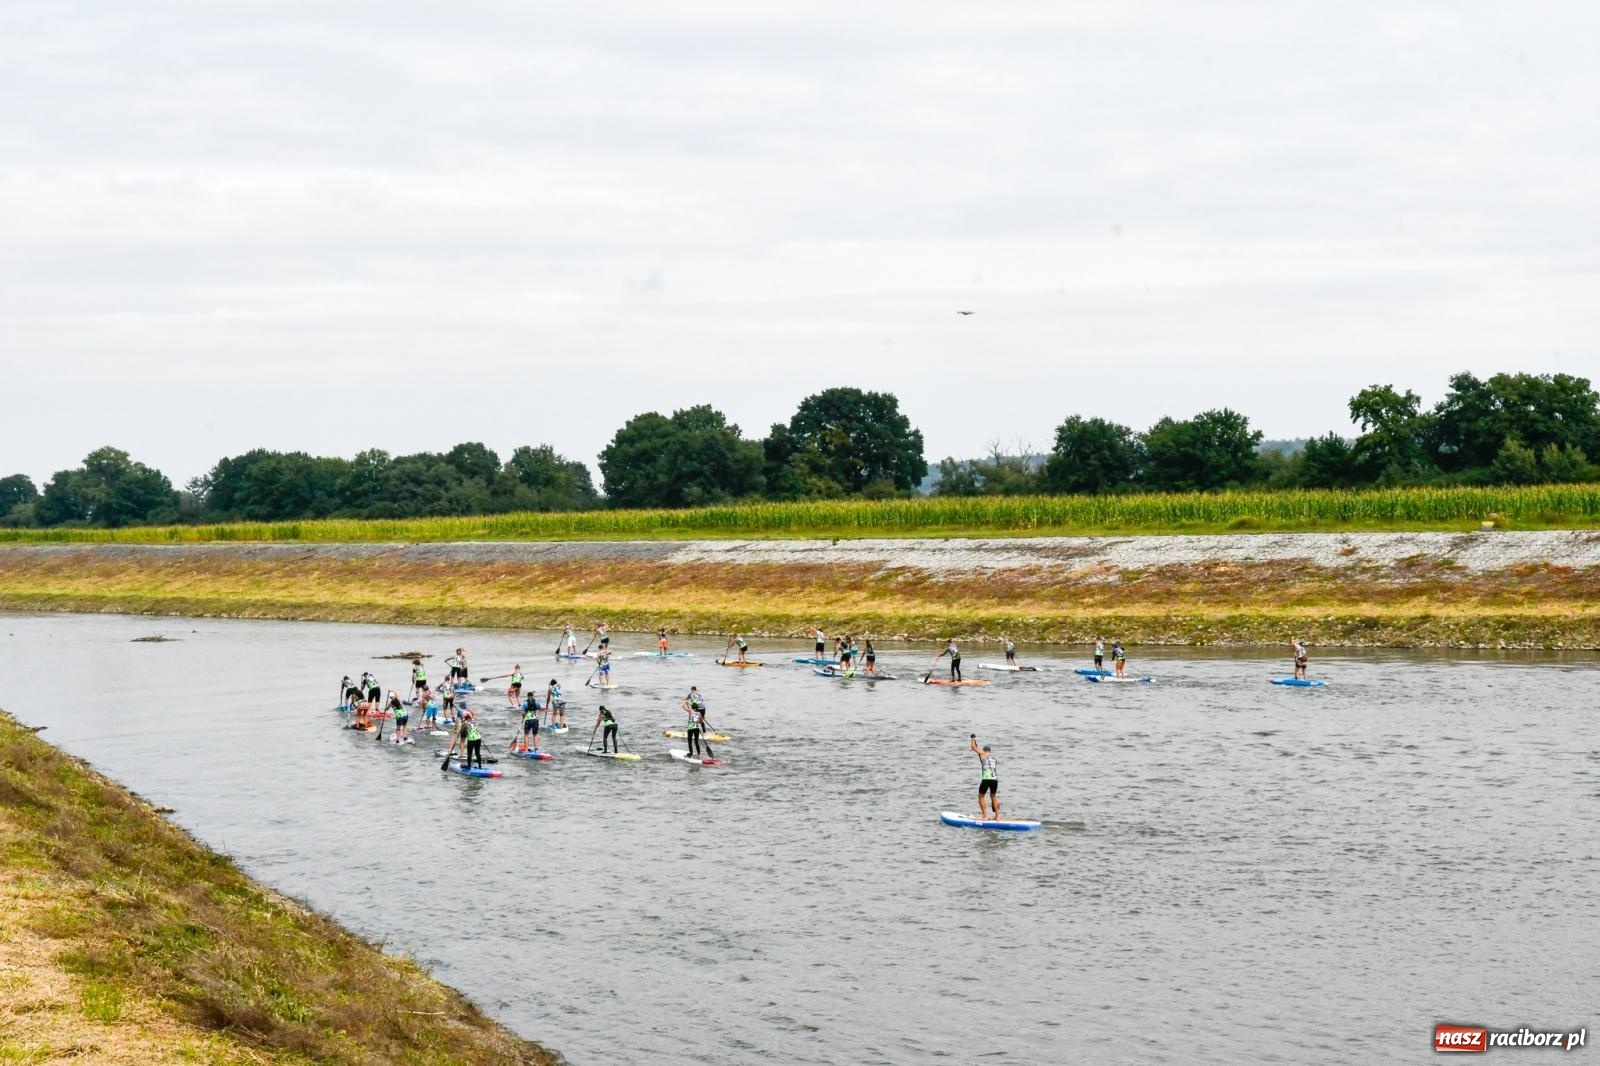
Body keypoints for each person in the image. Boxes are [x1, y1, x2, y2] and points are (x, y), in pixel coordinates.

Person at [970, 734, 999, 821]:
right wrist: (976, 744)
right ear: (990, 751)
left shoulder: (983, 754)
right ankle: (997, 816)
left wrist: (972, 738)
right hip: (995, 780)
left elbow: (974, 748)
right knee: (993, 796)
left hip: (986, 779)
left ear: (984, 750)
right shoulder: (994, 758)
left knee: (981, 796)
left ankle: (985, 816)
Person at [682, 686, 707, 756]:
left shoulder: (690, 711)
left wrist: (685, 702)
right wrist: (701, 720)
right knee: (696, 742)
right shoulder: (699, 713)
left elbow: (684, 707)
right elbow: (701, 721)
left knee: (690, 742)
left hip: (690, 729)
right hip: (697, 728)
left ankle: (691, 754)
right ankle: (699, 754)